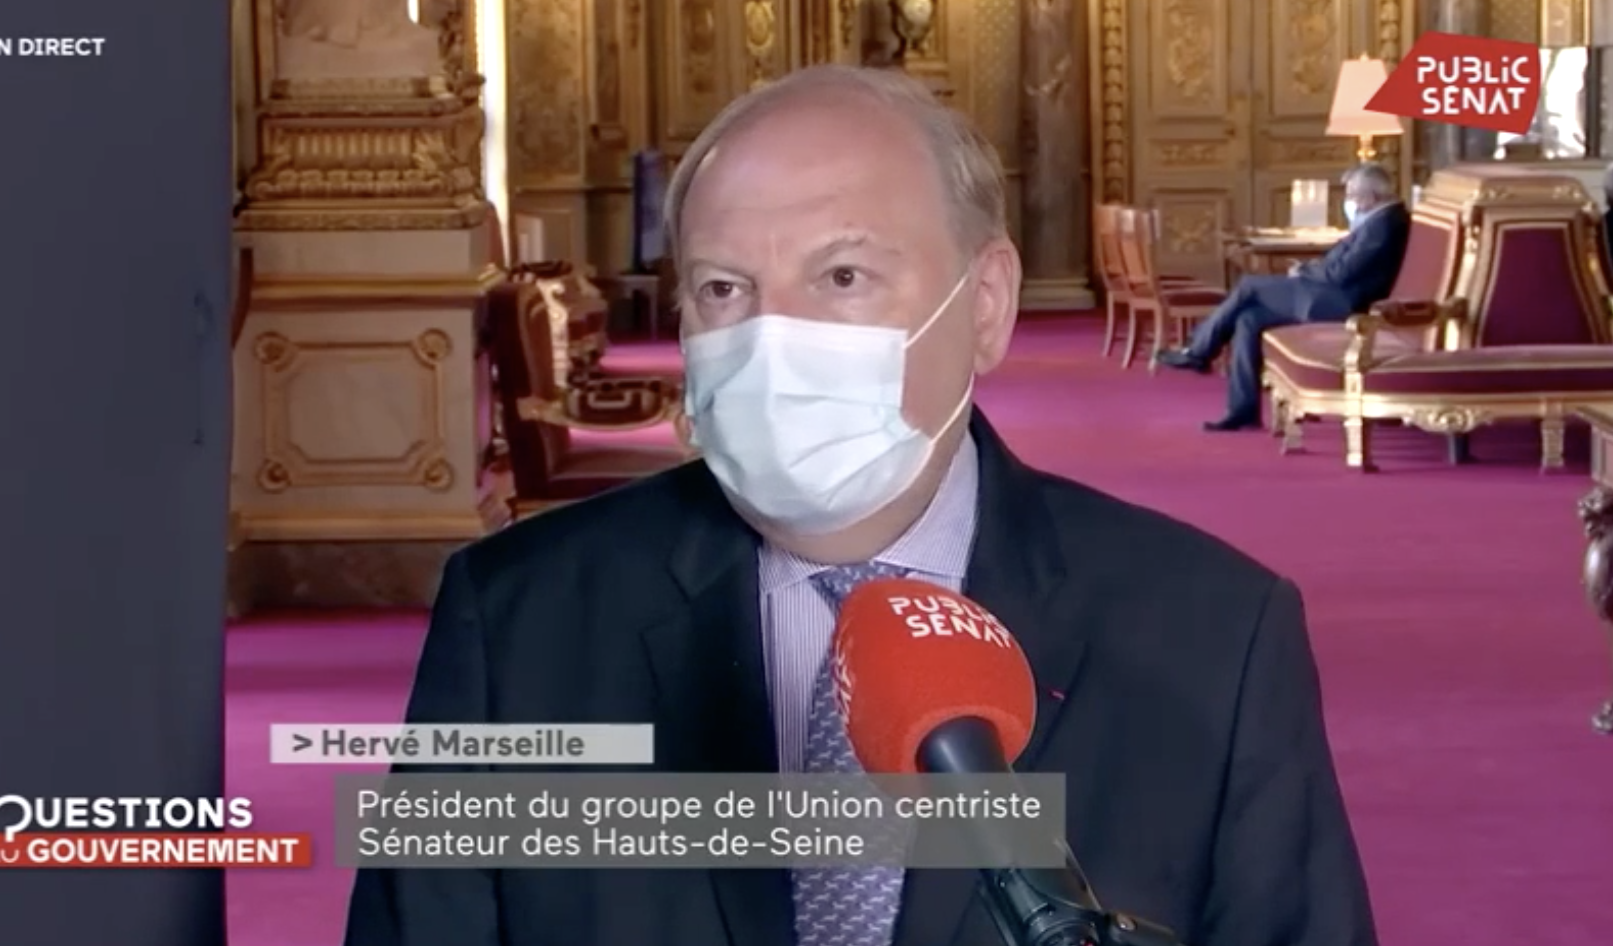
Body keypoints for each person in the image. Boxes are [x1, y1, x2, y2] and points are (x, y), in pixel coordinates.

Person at [344, 65, 1378, 946]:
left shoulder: (1213, 633)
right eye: (723, 289)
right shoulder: (515, 619)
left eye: (842, 275)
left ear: (984, 305)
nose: (772, 337)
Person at [1156, 163, 1410, 431]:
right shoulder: (1379, 218)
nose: (1350, 201)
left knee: (1249, 285)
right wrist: (1308, 268)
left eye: (1352, 194)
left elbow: (1340, 274)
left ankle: (1198, 352)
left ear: (1371, 195)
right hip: (1330, 293)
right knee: (1248, 319)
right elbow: (1338, 264)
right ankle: (1242, 410)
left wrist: (1304, 271)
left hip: (1341, 303)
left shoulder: (1384, 224)